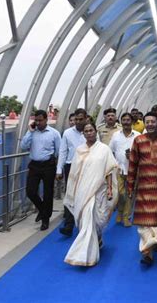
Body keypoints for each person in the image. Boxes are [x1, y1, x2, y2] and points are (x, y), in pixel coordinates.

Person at [63, 122, 118, 267]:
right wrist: (73, 191)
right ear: (83, 134)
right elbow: (74, 173)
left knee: (99, 220)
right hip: (83, 190)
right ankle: (84, 254)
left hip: (99, 190)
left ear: (96, 132)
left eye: (91, 130)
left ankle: (98, 238)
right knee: (85, 221)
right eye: (86, 131)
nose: (89, 133)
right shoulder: (79, 150)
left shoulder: (104, 150)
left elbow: (109, 170)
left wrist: (110, 189)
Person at [127, 112, 157, 266]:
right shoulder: (138, 140)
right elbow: (133, 164)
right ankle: (148, 253)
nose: (149, 125)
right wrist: (130, 185)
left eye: (152, 122)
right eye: (147, 122)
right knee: (145, 222)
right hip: (144, 187)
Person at [20, 110, 61, 230]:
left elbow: (59, 151)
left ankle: (45, 219)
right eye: (36, 120)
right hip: (34, 165)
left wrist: (59, 168)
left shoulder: (54, 133)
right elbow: (23, 146)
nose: (37, 122)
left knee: (48, 192)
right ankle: (43, 210)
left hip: (49, 165)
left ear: (46, 119)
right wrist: (30, 132)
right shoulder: (32, 132)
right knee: (30, 191)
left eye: (40, 120)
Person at [56, 108, 87, 236]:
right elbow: (63, 152)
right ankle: (68, 225)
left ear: (86, 118)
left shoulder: (90, 132)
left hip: (87, 167)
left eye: (81, 119)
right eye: (76, 119)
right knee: (70, 195)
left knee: (85, 195)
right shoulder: (68, 133)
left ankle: (85, 225)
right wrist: (59, 170)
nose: (78, 122)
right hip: (71, 167)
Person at [109, 112, 141, 227]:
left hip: (133, 170)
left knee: (130, 194)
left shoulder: (137, 135)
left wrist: (132, 156)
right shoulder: (116, 135)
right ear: (121, 121)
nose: (126, 122)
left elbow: (142, 154)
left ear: (132, 122)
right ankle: (120, 211)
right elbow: (110, 151)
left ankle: (126, 217)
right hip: (119, 169)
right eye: (124, 120)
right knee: (120, 193)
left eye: (128, 120)